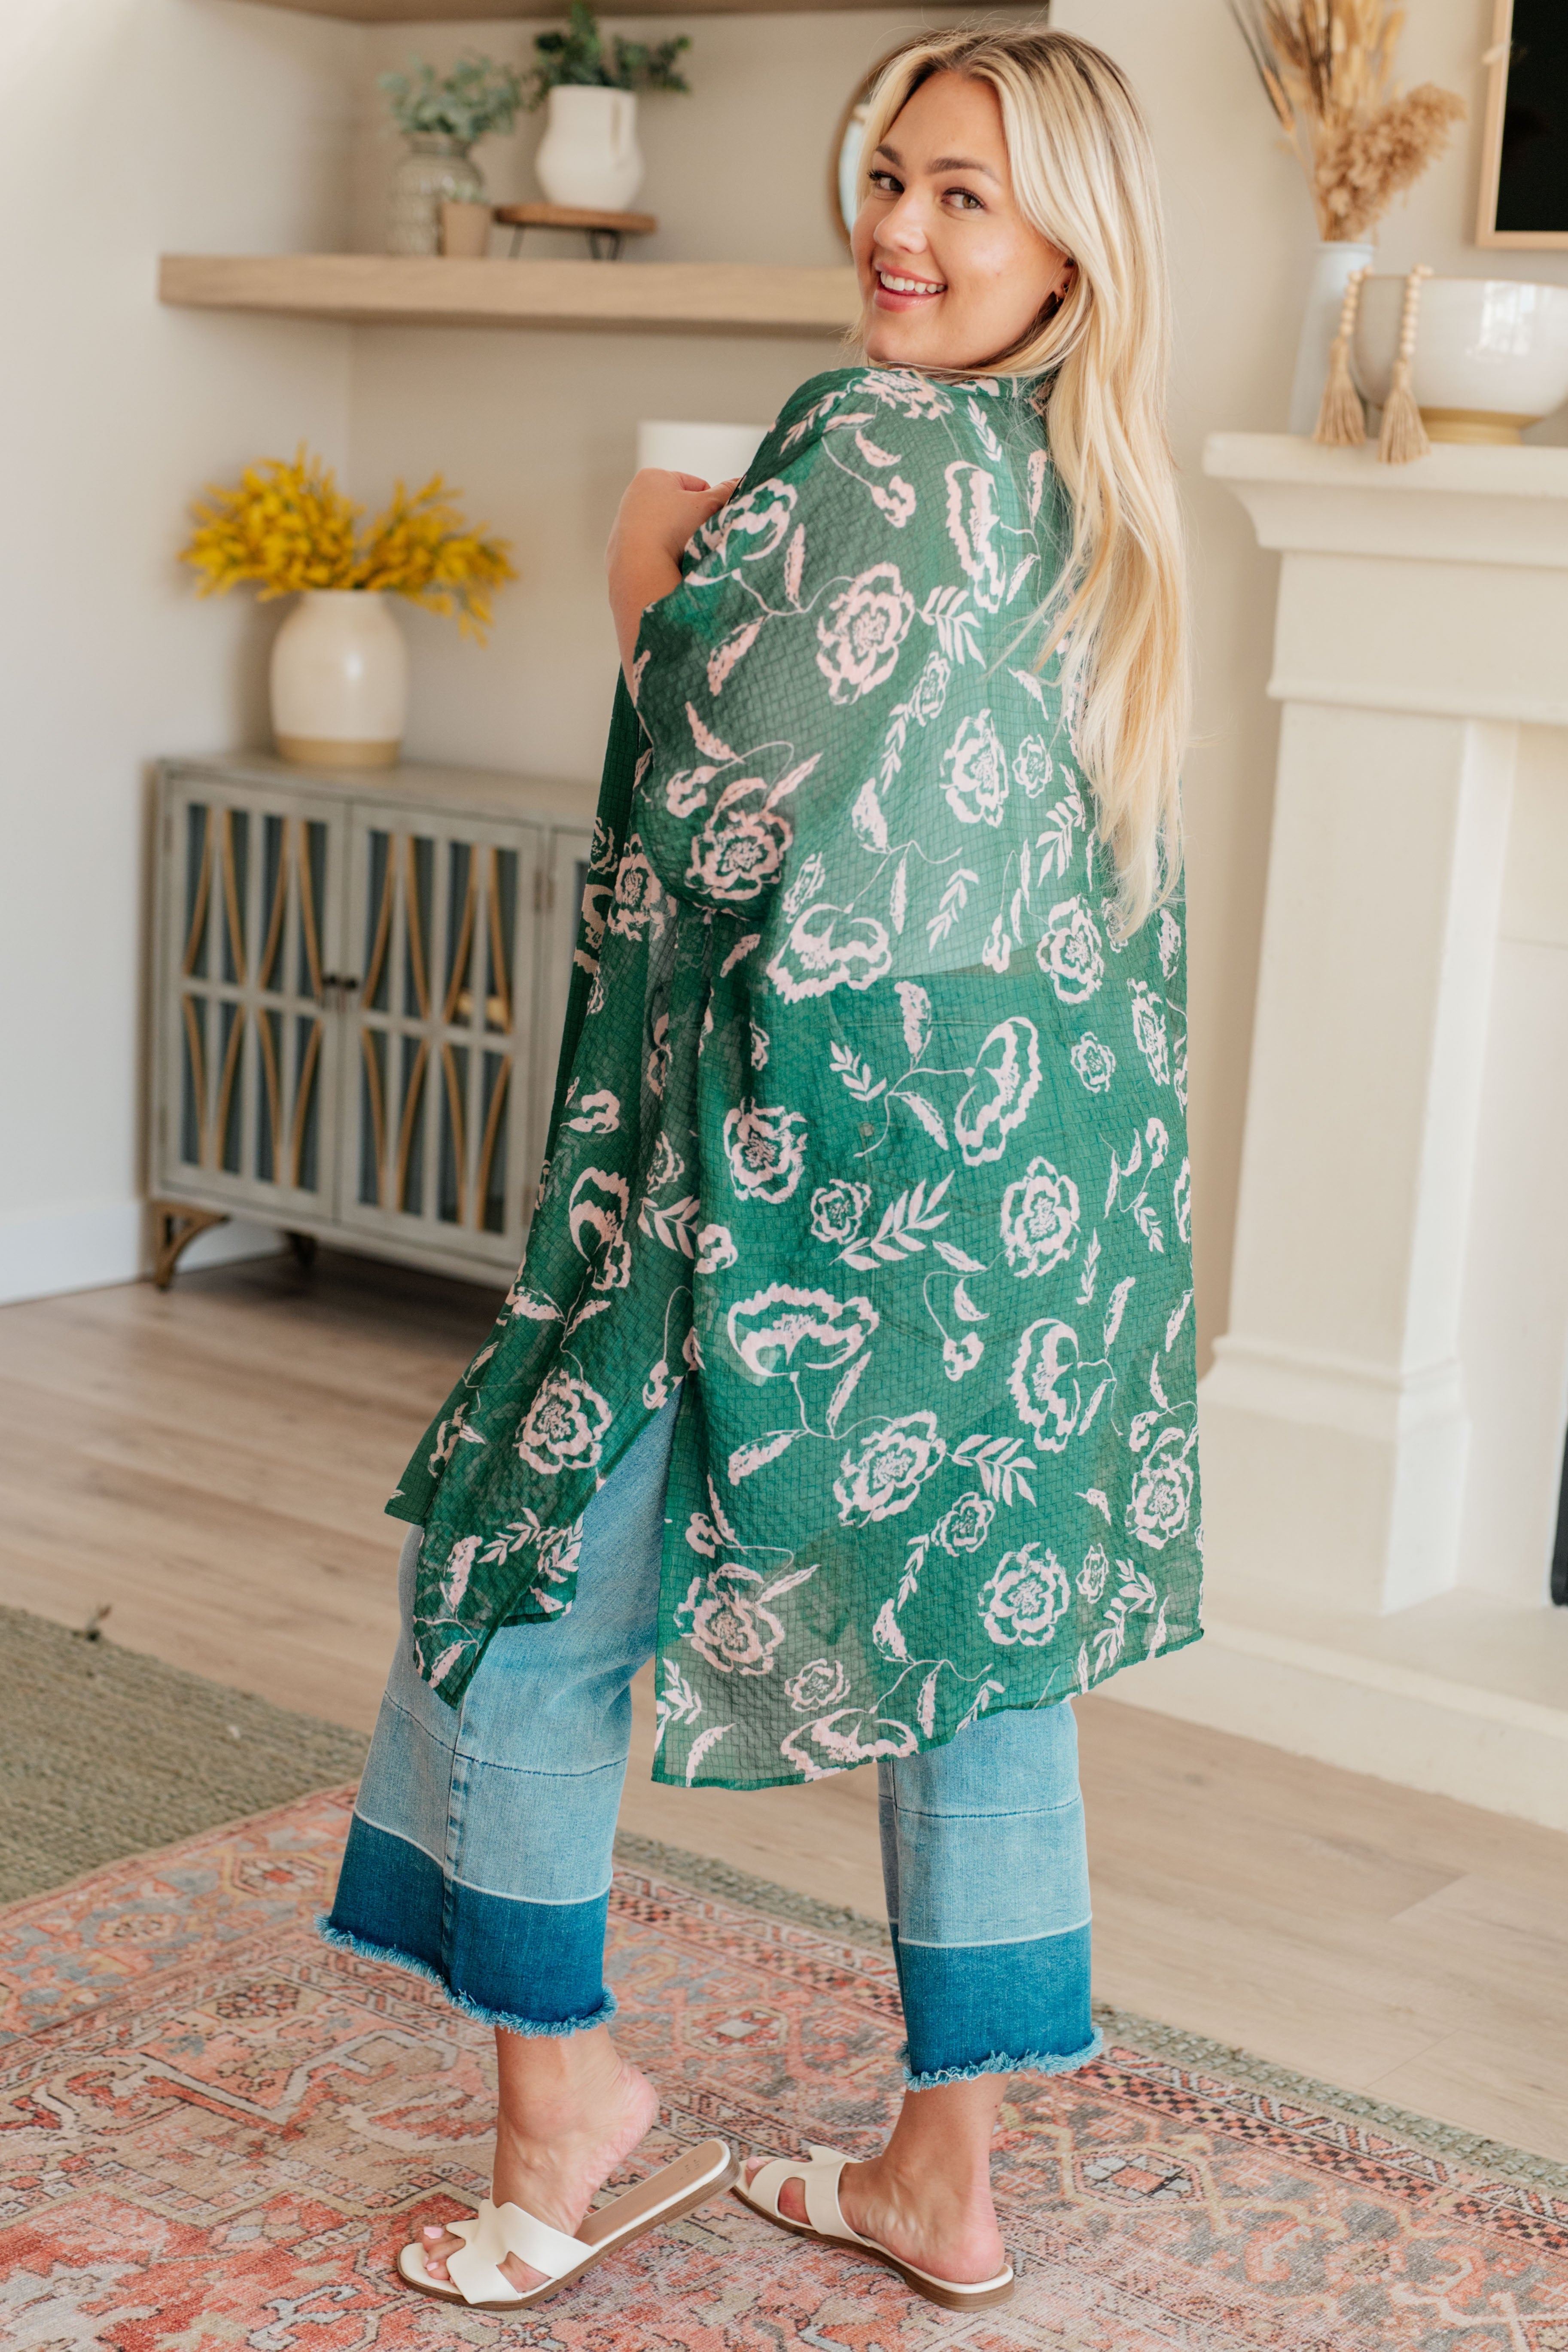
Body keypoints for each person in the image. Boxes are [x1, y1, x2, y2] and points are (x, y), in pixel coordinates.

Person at [321, 22, 1201, 2319]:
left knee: (520, 1580)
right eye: (890, 173)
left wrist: (642, 548)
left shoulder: (874, 441)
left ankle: (563, 2113)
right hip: (1013, 1205)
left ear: (1068, 250)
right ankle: (943, 2178)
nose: (898, 228)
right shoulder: (1093, 500)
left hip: (772, 1182)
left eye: (964, 196)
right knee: (973, 1650)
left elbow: (721, 789)